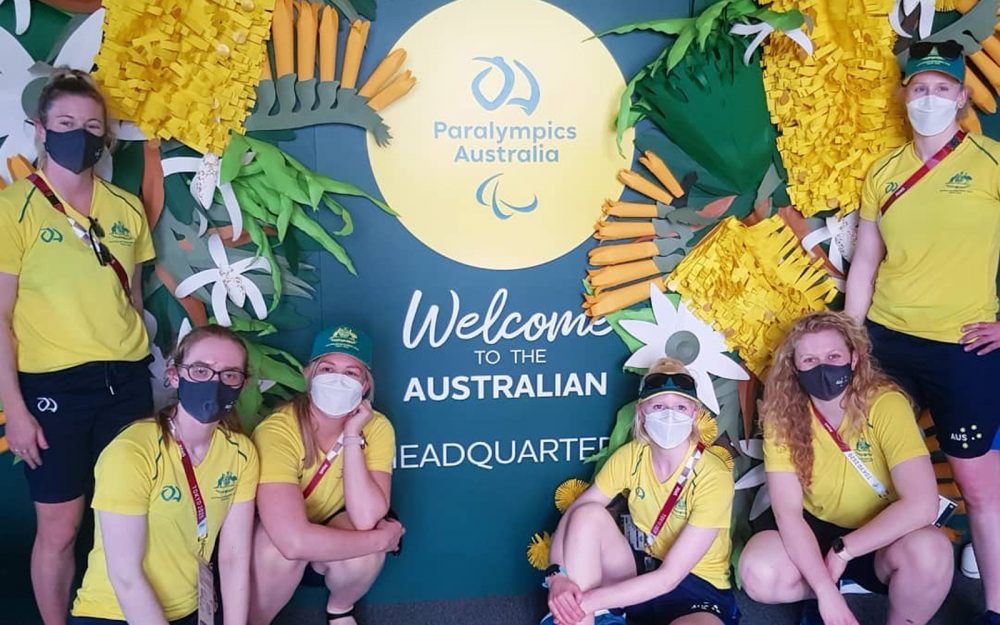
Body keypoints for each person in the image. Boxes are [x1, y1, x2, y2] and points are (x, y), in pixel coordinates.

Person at [845, 40, 1000, 625]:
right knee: (873, 463)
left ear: (962, 96)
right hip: (888, 340)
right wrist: (854, 339)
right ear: (903, 95)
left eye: (942, 88)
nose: (929, 98)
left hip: (965, 347)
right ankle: (880, 571)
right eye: (919, 87)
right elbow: (865, 262)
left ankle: (994, 608)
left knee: (978, 486)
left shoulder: (991, 162)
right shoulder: (883, 172)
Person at [0, 68, 155, 625]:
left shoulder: (126, 208)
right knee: (60, 530)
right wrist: (14, 410)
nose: (80, 134)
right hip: (53, 388)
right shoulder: (12, 208)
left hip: (126, 383)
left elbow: (131, 301)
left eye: (93, 125)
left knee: (130, 518)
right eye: (65, 123)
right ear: (40, 129)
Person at [739, 311, 951, 625]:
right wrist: (826, 594)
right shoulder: (781, 415)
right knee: (758, 571)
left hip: (882, 531)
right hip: (815, 525)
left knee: (932, 552)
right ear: (795, 367)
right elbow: (788, 512)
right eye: (809, 360)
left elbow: (922, 505)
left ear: (853, 359)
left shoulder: (885, 404)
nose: (822, 366)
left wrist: (843, 551)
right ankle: (833, 589)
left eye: (833, 355)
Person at [68, 324, 259, 625]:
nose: (215, 382)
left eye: (230, 375)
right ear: (174, 375)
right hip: (114, 612)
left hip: (191, 610)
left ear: (242, 385)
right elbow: (126, 576)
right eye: (200, 371)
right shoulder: (132, 451)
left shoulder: (241, 454)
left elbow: (234, 557)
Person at [542, 357, 738, 625]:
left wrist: (581, 603)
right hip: (640, 569)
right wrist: (557, 577)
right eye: (658, 406)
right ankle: (585, 620)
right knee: (587, 514)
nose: (670, 415)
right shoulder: (631, 456)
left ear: (694, 414)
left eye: (680, 406)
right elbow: (576, 512)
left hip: (695, 585)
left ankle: (579, 613)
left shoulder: (713, 474)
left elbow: (669, 578)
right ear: (642, 412)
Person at [249, 324, 404, 625]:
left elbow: (365, 518)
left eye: (351, 373)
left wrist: (352, 434)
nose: (338, 379)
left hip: (333, 530)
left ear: (364, 385)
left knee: (364, 548)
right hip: (279, 541)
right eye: (328, 368)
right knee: (275, 549)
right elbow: (291, 541)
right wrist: (381, 541)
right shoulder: (278, 430)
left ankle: (340, 609)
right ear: (310, 375)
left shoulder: (377, 426)